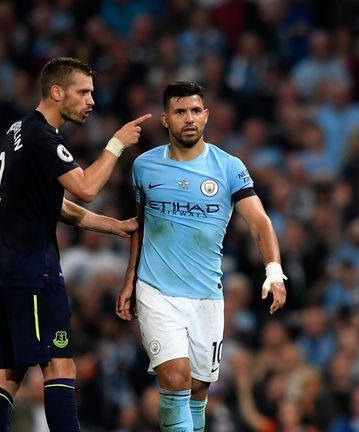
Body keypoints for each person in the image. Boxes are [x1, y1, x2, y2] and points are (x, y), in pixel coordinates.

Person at [0, 56, 150, 431]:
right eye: (83, 92)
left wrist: (115, 226)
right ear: (57, 92)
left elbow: (57, 206)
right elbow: (86, 189)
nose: (91, 100)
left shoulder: (17, 130)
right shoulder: (42, 135)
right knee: (60, 365)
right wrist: (117, 145)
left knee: (7, 372)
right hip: (31, 269)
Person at [115, 81, 287, 432]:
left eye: (195, 111)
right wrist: (130, 279)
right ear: (166, 119)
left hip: (207, 296)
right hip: (156, 290)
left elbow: (259, 222)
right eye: (180, 112)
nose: (189, 118)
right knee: (176, 378)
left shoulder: (228, 167)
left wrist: (273, 270)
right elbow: (142, 227)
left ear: (206, 116)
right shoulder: (145, 167)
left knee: (197, 389)